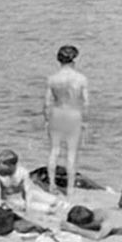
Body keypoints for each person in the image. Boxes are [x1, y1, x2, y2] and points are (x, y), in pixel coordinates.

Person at [43, 44, 88, 201]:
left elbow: (47, 102)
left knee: (54, 150)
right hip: (73, 114)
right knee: (71, 153)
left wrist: (46, 119)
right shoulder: (81, 79)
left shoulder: (53, 79)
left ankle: (52, 185)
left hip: (57, 113)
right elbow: (86, 103)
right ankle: (69, 189)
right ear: (74, 60)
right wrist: (85, 121)